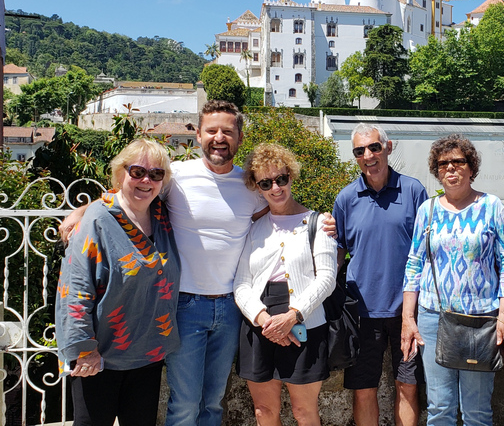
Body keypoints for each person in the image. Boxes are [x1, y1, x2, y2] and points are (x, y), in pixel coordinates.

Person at [59, 100, 336, 426]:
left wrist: (320, 220)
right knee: (185, 405)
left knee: (213, 404)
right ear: (198, 135)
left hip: (231, 309)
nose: (219, 137)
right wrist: (84, 210)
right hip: (184, 306)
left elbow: (281, 209)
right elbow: (133, 190)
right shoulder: (177, 177)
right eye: (212, 130)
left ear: (239, 137)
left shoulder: (250, 186)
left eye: (227, 131)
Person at [55, 138, 180, 426]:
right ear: (120, 173)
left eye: (156, 174)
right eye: (137, 172)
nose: (146, 180)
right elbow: (76, 291)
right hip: (100, 358)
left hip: (147, 354)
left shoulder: (160, 214)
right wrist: (84, 351)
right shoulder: (98, 220)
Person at [402, 134, 504, 426]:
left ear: (471, 167)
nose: (450, 169)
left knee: (477, 411)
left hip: (480, 320)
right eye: (443, 164)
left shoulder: (491, 206)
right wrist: (408, 319)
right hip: (433, 317)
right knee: (440, 407)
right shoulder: (427, 211)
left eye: (458, 161)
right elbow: (414, 264)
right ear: (436, 170)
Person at [233, 143, 337, 426]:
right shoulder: (254, 228)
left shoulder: (317, 223)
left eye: (281, 179)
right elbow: (242, 283)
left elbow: (327, 277)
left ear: (291, 176)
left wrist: (293, 316)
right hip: (259, 325)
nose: (275, 188)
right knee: (264, 411)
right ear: (257, 187)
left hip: (305, 324)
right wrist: (266, 321)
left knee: (304, 412)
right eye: (266, 183)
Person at [333, 123, 428, 426]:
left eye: (374, 147)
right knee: (363, 390)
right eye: (360, 151)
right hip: (361, 312)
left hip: (408, 312)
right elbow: (335, 253)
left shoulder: (413, 191)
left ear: (388, 147)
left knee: (408, 386)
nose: (368, 155)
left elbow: (427, 250)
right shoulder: (346, 199)